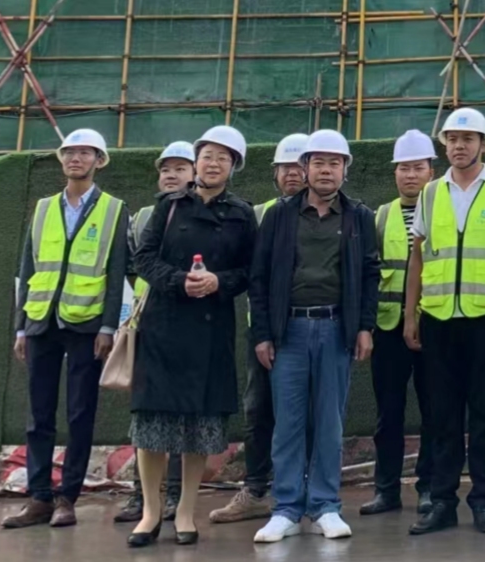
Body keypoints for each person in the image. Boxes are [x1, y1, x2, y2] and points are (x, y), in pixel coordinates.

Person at [126, 124, 257, 548]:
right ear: (196, 162)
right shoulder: (168, 206)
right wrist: (178, 280)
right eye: (207, 156)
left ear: (233, 167)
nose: (213, 163)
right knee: (152, 426)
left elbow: (249, 271)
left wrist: (219, 282)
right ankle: (150, 512)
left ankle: (185, 511)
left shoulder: (242, 214)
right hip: (162, 327)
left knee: (198, 427)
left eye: (223, 158)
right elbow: (143, 258)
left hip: (210, 328)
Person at [403, 107, 485, 535]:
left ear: (483, 145)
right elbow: (418, 257)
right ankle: (441, 502)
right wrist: (411, 314)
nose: (459, 146)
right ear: (445, 146)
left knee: (484, 415)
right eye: (453, 139)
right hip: (438, 319)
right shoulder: (429, 193)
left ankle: (483, 502)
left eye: (468, 139)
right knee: (441, 416)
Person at [248, 130, 379, 543]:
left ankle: (325, 505)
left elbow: (370, 275)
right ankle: (286, 508)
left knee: (329, 421)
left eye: (334, 163)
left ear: (345, 170)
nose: (326, 170)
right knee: (287, 422)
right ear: (304, 168)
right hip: (289, 331)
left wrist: (364, 326)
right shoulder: (280, 216)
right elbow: (259, 277)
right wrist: (263, 334)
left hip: (337, 329)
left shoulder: (358, 216)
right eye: (318, 162)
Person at [3, 128, 129, 531]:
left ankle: (67, 498)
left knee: (80, 414)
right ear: (62, 159)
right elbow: (27, 269)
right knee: (38, 415)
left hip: (86, 324)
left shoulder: (114, 209)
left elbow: (116, 273)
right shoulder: (43, 209)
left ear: (99, 161)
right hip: (41, 322)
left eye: (85, 152)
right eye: (70, 152)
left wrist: (108, 326)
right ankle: (39, 497)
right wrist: (21, 327)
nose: (76, 158)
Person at [211, 133, 311, 525]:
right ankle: (255, 490)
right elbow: (247, 274)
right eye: (284, 167)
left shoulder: (326, 214)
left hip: (310, 330)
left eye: (298, 166)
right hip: (264, 333)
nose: (292, 173)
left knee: (310, 412)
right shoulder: (259, 215)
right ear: (274, 173)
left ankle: (306, 490)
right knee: (259, 412)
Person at [361, 130, 439, 517]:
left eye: (417, 167)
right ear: (394, 172)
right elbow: (369, 273)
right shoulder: (381, 216)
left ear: (431, 171)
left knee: (434, 412)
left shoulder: (443, 211)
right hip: (389, 329)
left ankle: (429, 488)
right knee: (388, 414)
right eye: (403, 168)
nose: (410, 175)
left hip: (434, 327)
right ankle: (386, 490)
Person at [115, 141, 193, 526]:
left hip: (189, 324)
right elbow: (130, 269)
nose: (171, 175)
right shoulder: (144, 216)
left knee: (183, 412)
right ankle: (142, 495)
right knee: (147, 413)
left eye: (180, 168)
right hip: (147, 324)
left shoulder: (202, 214)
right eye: (165, 169)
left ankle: (176, 493)